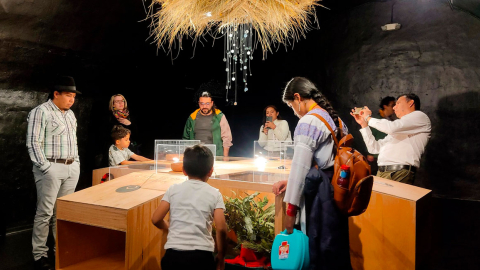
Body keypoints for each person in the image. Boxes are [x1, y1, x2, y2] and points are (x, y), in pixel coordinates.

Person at [272, 77, 351, 270]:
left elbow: (300, 169)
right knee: (334, 245)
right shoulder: (336, 119)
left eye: (291, 106)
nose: (293, 111)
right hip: (337, 192)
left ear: (298, 97)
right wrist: (288, 181)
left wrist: (290, 211)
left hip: (319, 196)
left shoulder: (309, 122)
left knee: (317, 247)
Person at [26, 76, 82, 270]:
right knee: (45, 212)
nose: (71, 99)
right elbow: (33, 143)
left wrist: (77, 163)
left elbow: (73, 142)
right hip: (51, 167)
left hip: (71, 167)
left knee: (63, 212)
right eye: (68, 95)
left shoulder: (70, 115)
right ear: (56, 94)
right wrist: (46, 168)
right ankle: (40, 255)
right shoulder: (40, 112)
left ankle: (61, 250)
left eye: (73, 96)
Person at [151, 145, 227, 270]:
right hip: (202, 258)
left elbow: (155, 219)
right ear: (211, 171)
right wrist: (221, 255)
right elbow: (221, 228)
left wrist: (169, 227)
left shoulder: (173, 190)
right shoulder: (215, 193)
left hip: (173, 257)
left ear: (184, 170)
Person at [351, 93, 431, 185]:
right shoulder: (399, 127)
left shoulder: (420, 116)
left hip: (399, 172)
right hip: (382, 172)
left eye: (397, 104)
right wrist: (364, 124)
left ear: (410, 103)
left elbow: (392, 127)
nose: (394, 108)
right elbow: (374, 148)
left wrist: (367, 118)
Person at [183, 91, 232, 157]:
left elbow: (227, 138)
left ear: (212, 103)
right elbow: (186, 139)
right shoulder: (192, 117)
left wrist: (225, 157)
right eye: (202, 103)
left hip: (215, 155)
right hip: (195, 156)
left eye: (207, 103)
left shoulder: (219, 117)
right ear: (199, 103)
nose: (205, 106)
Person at [366, 96, 396, 174]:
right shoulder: (376, 120)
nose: (394, 108)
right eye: (392, 105)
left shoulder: (392, 120)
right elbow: (369, 135)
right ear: (385, 106)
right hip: (376, 156)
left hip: (387, 156)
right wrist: (370, 154)